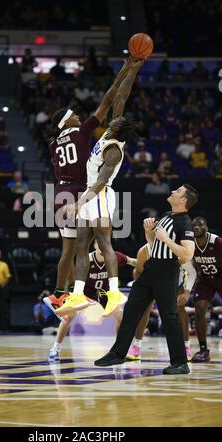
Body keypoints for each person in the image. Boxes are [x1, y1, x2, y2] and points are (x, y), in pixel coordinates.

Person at [45, 56, 143, 316]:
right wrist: (132, 69)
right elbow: (118, 98)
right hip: (80, 191)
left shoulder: (110, 147)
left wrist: (128, 68)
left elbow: (112, 99)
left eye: (115, 120)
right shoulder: (103, 133)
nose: (110, 119)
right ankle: (74, 294)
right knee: (80, 246)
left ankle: (109, 291)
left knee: (98, 243)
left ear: (119, 127)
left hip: (87, 192)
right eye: (74, 114)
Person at [95, 184, 198, 375]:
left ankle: (180, 363)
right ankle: (117, 353)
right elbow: (153, 245)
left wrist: (166, 239)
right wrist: (149, 232)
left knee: (170, 317)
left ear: (184, 200)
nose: (173, 191)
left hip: (167, 272)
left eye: (178, 191)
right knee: (132, 310)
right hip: (151, 267)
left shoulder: (185, 222)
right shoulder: (168, 216)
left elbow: (187, 255)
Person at [48, 240, 135, 360]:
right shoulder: (86, 259)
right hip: (85, 292)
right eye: (98, 244)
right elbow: (70, 270)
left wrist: (145, 263)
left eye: (104, 243)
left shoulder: (114, 257)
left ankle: (117, 349)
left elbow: (132, 261)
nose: (101, 246)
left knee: (121, 317)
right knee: (68, 317)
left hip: (104, 293)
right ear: (94, 246)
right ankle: (56, 348)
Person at [125, 243, 197, 361]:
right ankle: (136, 347)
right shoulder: (145, 250)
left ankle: (186, 347)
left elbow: (191, 271)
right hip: (153, 280)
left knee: (180, 309)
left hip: (174, 281)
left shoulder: (176, 246)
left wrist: (187, 291)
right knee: (145, 310)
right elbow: (138, 272)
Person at [191, 217, 222, 362]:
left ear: (206, 227)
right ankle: (203, 350)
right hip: (205, 279)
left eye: (200, 225)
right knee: (199, 310)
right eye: (193, 225)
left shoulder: (218, 242)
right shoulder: (190, 243)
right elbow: (192, 263)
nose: (196, 227)